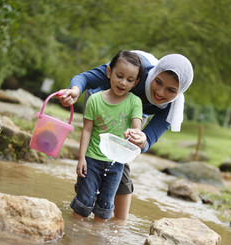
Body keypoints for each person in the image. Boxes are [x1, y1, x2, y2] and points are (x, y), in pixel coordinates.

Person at [58, 50, 194, 222]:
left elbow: (148, 139)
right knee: (96, 154)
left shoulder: (171, 108)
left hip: (135, 112)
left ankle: (119, 223)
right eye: (157, 82)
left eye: (170, 90)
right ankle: (84, 201)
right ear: (150, 75)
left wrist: (142, 140)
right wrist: (75, 91)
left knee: (122, 156)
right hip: (102, 102)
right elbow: (85, 78)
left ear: (179, 91)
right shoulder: (134, 71)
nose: (160, 92)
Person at [69, 50, 143, 222]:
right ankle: (74, 238)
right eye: (119, 76)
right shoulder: (95, 99)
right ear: (109, 72)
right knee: (83, 203)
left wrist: (133, 134)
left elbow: (137, 129)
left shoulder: (134, 103)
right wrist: (81, 158)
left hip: (116, 163)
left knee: (104, 208)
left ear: (136, 82)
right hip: (92, 160)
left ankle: (95, 244)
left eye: (130, 80)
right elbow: (87, 130)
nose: (123, 82)